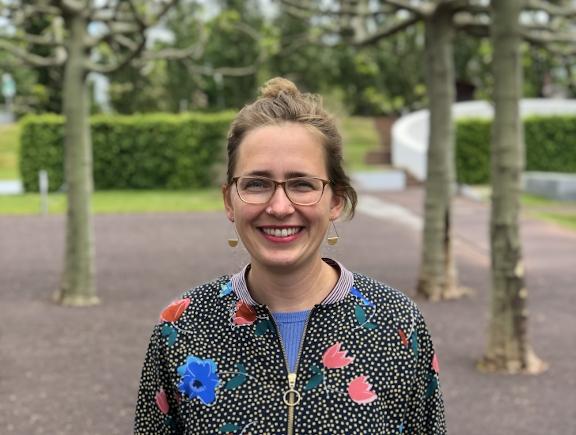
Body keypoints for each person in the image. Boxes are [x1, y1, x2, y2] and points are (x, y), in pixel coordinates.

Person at [134, 78, 446, 434]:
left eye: (302, 184)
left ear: (336, 200)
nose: (280, 207)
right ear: (228, 201)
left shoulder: (397, 326)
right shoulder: (183, 328)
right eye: (256, 184)